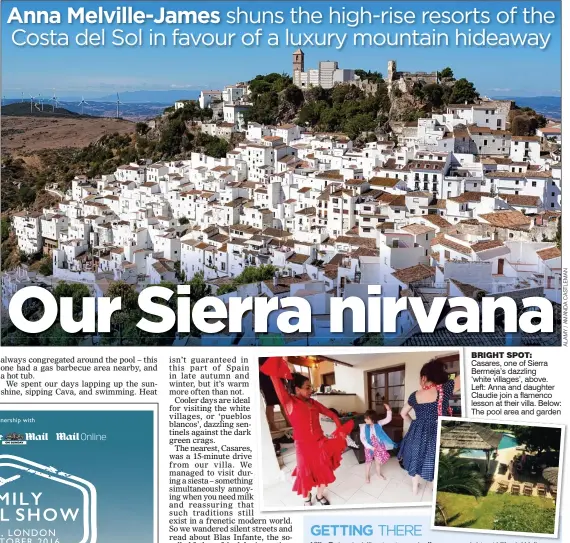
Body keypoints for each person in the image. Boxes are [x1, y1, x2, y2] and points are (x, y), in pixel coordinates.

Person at [260, 356, 353, 506]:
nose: (311, 390)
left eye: (311, 387)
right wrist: (282, 361)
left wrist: (339, 428)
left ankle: (319, 496)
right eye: (307, 387)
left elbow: (331, 414)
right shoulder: (288, 401)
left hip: (320, 443)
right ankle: (307, 498)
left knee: (325, 470)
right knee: (305, 475)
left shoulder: (313, 402)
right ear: (297, 389)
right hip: (303, 447)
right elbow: (275, 379)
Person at [398, 359, 461, 495]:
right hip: (437, 432)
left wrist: (414, 424)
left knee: (415, 458)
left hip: (417, 433)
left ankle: (415, 488)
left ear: (424, 378)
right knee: (433, 460)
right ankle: (434, 487)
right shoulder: (445, 389)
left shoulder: (414, 395)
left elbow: (403, 413)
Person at [360, 405, 396, 483]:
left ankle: (378, 474)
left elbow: (388, 419)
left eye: (367, 418)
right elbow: (362, 439)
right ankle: (367, 476)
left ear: (372, 419)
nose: (365, 420)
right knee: (368, 462)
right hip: (368, 447)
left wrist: (389, 410)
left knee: (378, 461)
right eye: (365, 418)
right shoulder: (363, 427)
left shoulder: (378, 424)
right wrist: (370, 447)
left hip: (378, 446)